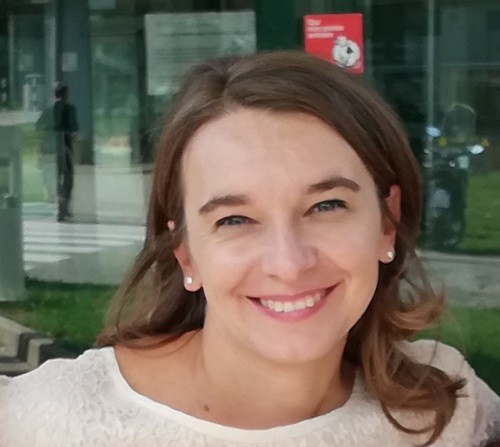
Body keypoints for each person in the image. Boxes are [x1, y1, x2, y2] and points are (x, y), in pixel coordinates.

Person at [1, 51, 499, 446]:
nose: (288, 263)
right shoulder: (46, 423)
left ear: (387, 223)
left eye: (326, 205)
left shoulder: (447, 404)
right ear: (186, 253)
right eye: (234, 219)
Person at [36, 82, 78, 222]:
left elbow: (39, 125)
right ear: (66, 94)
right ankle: (64, 206)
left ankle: (58, 204)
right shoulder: (70, 109)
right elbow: (74, 128)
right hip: (65, 148)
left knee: (54, 177)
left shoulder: (49, 110)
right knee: (68, 178)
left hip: (51, 150)